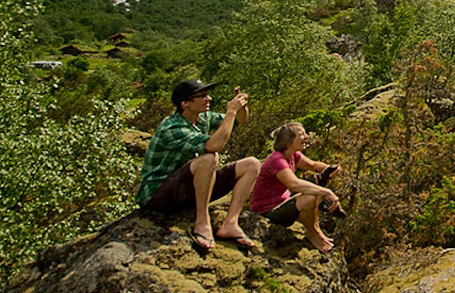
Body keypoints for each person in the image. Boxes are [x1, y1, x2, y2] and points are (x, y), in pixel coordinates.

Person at [137, 79, 261, 254]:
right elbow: (213, 146)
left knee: (252, 164)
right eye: (202, 96)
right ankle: (202, 222)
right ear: (185, 103)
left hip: (185, 189)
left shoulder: (202, 118)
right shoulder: (172, 128)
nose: (208, 99)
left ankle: (230, 223)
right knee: (209, 158)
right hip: (158, 195)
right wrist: (231, 111)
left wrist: (240, 107)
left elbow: (238, 121)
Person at [249, 121, 343, 253]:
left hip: (283, 200)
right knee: (310, 196)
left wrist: (329, 168)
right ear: (288, 142)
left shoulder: (292, 155)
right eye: (301, 134)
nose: (306, 137)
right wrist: (327, 192)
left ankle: (315, 229)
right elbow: (294, 184)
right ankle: (312, 233)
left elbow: (312, 165)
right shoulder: (277, 160)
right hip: (268, 211)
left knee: (315, 188)